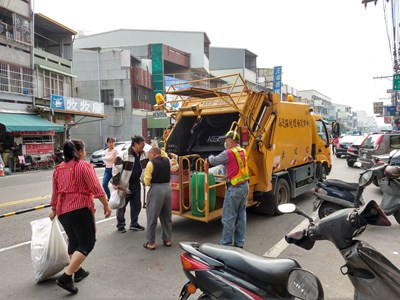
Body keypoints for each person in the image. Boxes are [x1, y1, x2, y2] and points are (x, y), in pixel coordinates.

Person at [49, 139, 112, 294]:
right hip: (80, 210)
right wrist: (106, 204)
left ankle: (78, 271)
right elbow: (96, 189)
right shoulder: (84, 166)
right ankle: (66, 276)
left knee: (74, 241)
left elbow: (55, 192)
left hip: (63, 212)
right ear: (80, 152)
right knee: (87, 243)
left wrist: (54, 209)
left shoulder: (58, 169)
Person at [208, 130, 249, 248]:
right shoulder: (243, 150)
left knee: (228, 217)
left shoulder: (228, 153)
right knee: (241, 217)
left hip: (234, 188)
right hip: (244, 187)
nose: (225, 142)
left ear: (230, 141)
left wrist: (209, 156)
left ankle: (225, 244)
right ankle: (239, 243)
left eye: (226, 140)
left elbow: (214, 161)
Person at [111, 135, 148, 233]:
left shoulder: (144, 154)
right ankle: (120, 225)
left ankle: (134, 224)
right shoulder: (123, 155)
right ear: (135, 144)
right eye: (142, 143)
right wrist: (116, 183)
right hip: (124, 185)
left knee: (136, 205)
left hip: (136, 183)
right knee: (122, 205)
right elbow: (116, 170)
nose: (144, 145)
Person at [142, 147, 172, 250]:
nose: (148, 156)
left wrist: (146, 181)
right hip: (168, 188)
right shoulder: (167, 160)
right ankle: (167, 239)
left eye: (149, 154)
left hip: (156, 189)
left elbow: (147, 181)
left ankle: (151, 242)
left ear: (153, 154)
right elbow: (164, 154)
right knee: (167, 216)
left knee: (152, 216)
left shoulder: (151, 164)